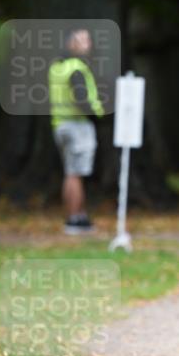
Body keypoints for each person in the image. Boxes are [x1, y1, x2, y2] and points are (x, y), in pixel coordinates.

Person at [49, 28, 105, 235]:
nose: (87, 44)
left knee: (70, 173)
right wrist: (96, 113)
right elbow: (81, 98)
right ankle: (75, 219)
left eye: (88, 40)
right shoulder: (76, 68)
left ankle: (77, 215)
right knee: (75, 174)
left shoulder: (57, 67)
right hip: (77, 125)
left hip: (60, 124)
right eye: (82, 40)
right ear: (71, 44)